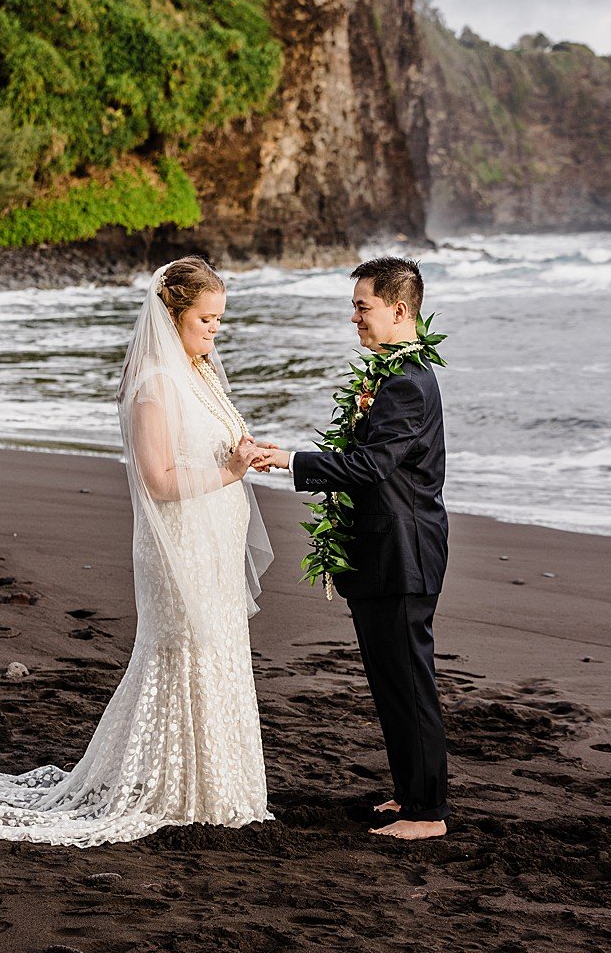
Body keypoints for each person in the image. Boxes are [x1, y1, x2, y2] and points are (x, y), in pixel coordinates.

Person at [0, 257, 274, 845]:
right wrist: (231, 471)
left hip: (210, 544)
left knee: (215, 652)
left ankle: (214, 785)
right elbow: (157, 480)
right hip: (178, 547)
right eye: (206, 320)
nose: (214, 332)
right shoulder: (154, 385)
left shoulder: (200, 374)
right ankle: (175, 786)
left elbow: (208, 452)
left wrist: (242, 453)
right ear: (172, 315)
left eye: (218, 321)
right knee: (184, 655)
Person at [245, 255, 450, 841]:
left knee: (410, 682)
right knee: (392, 681)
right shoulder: (392, 376)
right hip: (384, 553)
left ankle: (427, 813)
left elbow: (371, 465)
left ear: (399, 310)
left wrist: (288, 459)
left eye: (362, 307)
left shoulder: (408, 385)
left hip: (403, 555)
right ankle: (412, 793)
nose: (354, 319)